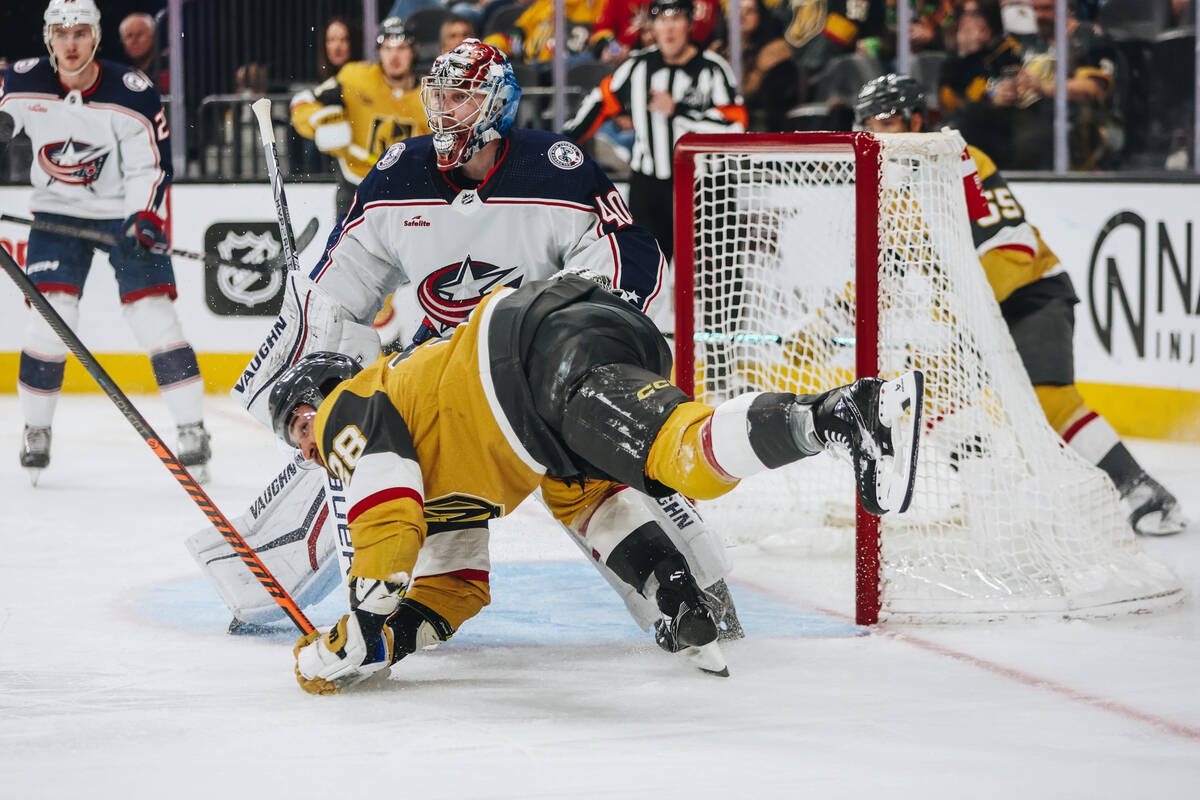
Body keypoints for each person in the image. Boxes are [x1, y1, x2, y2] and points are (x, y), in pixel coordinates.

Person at [219, 40, 743, 662]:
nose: (444, 111)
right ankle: (415, 594)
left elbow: (625, 257)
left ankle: (687, 596)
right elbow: (338, 293)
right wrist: (326, 393)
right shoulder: (395, 174)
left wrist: (591, 347)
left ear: (498, 102)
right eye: (437, 96)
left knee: (601, 467)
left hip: (543, 357)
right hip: (444, 366)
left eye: (461, 96)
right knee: (405, 465)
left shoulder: (558, 167)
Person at [273, 275, 925, 694]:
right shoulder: (437, 442)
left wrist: (358, 623)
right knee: (624, 476)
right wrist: (667, 583)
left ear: (315, 405)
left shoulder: (349, 407)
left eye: (299, 431)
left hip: (530, 363)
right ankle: (681, 592)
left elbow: (386, 511)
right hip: (558, 369)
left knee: (677, 453)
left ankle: (842, 413)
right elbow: (457, 587)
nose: (308, 452)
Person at [854, 74, 1187, 535]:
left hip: (1029, 293)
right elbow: (880, 278)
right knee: (928, 399)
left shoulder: (960, 161)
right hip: (968, 311)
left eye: (887, 121)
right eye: (868, 124)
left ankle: (1140, 488)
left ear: (915, 120)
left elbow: (1013, 250)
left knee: (1050, 403)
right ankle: (993, 496)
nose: (876, 133)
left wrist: (958, 317)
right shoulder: (884, 193)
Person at [0, 0, 211, 485]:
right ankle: (36, 429)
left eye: (79, 32)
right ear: (48, 38)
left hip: (123, 214)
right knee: (52, 319)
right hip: (57, 213)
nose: (70, 43)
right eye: (60, 33)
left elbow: (152, 167)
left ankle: (192, 427)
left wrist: (143, 216)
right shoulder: (24, 80)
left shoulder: (131, 91)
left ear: (95, 37)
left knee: (153, 317)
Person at [564, 0, 746, 260]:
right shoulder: (637, 67)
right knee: (644, 272)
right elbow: (600, 102)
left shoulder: (713, 69)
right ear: (652, 28)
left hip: (704, 187)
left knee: (715, 274)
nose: (669, 28)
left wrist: (679, 110)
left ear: (690, 25)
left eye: (676, 19)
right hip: (649, 186)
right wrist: (562, 142)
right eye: (661, 20)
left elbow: (735, 125)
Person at [291, 17, 432, 220]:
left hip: (408, 194)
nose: (394, 56)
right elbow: (301, 103)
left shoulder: (429, 97)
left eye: (402, 48)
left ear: (413, 51)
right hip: (356, 188)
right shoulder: (354, 77)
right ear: (378, 52)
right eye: (387, 48)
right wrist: (320, 121)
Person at [1014, 0, 1122, 170]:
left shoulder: (1089, 39)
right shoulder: (1028, 43)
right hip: (1028, 123)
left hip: (1075, 127)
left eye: (1046, 9)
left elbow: (1094, 89)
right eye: (1035, 9)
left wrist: (1045, 87)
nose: (1039, 15)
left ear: (1065, 8)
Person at [738, 0, 799, 132]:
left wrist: (758, 71)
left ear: (761, 15)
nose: (742, 16)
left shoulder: (774, 50)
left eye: (750, 11)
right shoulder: (724, 48)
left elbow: (746, 94)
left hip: (766, 125)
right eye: (737, 11)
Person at [118, 12, 163, 90]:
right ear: (122, 41)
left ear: (153, 37)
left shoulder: (169, 68)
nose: (134, 41)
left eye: (139, 34)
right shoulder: (122, 73)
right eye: (129, 36)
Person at [317, 17, 361, 82]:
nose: (336, 47)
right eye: (331, 39)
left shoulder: (361, 76)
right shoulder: (325, 81)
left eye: (343, 40)